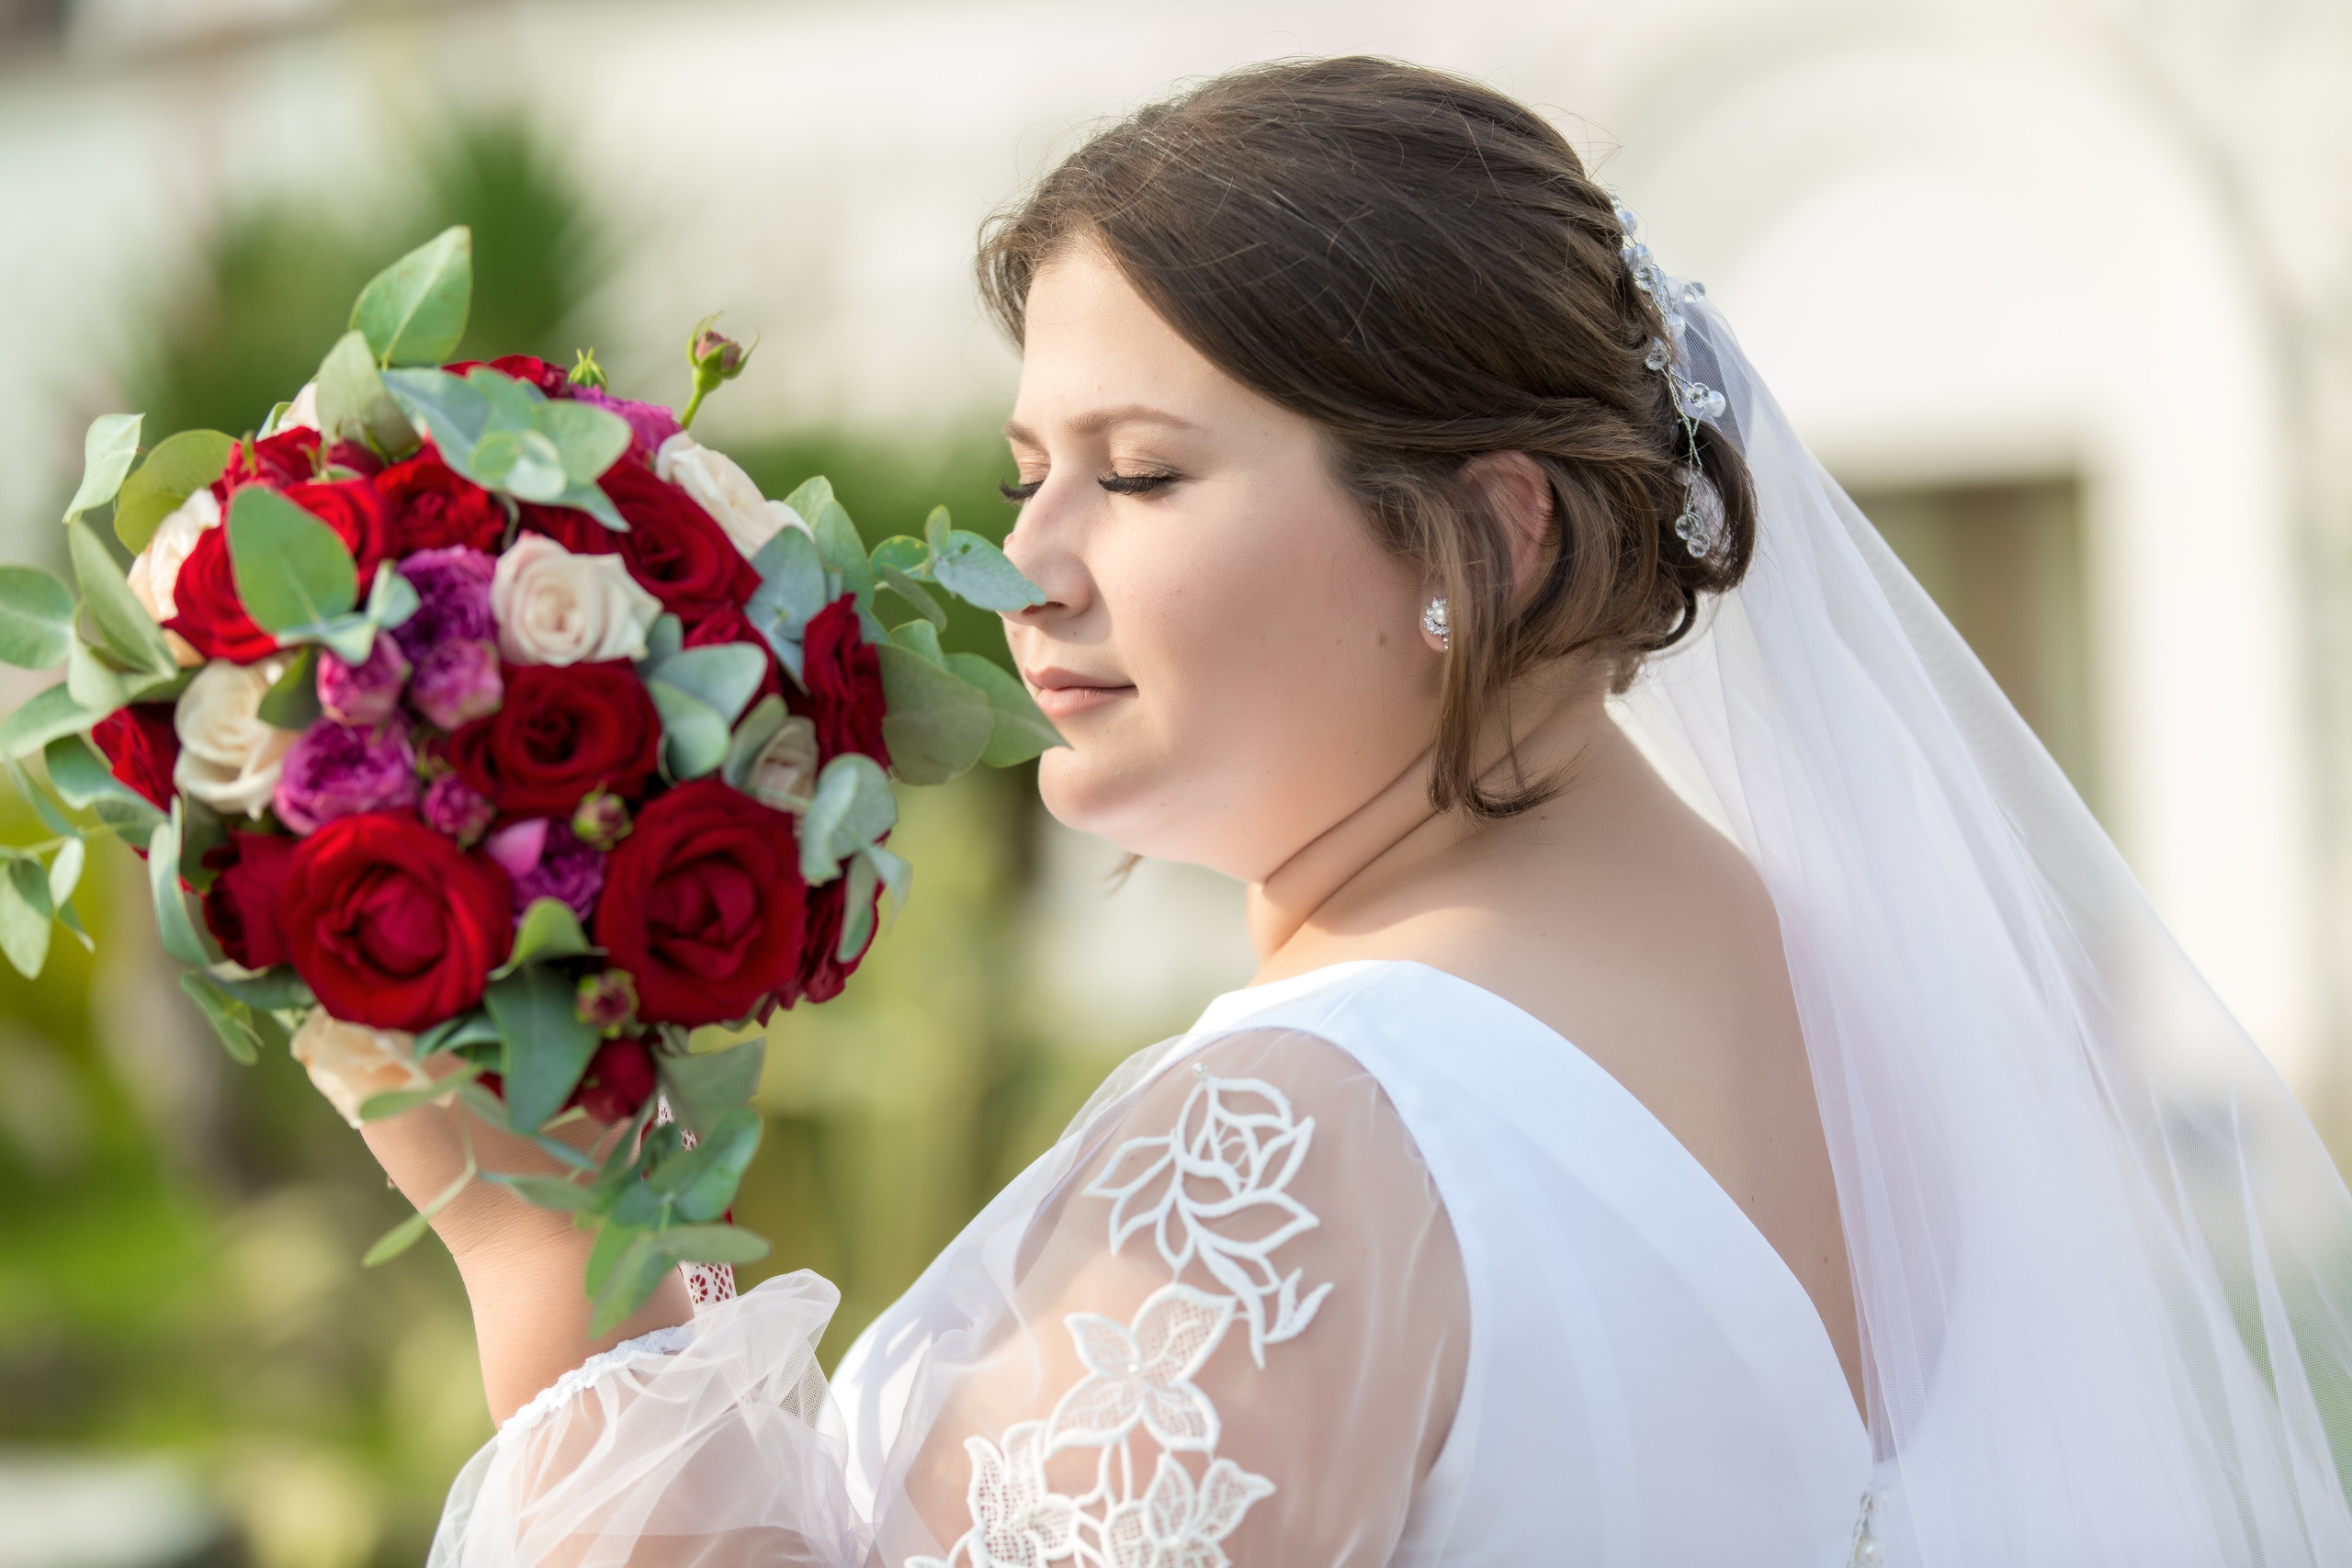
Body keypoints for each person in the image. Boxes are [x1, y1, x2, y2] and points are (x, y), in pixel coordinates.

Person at [372, 57, 2352, 1566]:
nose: (1020, 564)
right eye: (1025, 466)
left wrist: (545, 1247)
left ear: (1482, 537)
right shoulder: (1839, 1010)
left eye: (1138, 476)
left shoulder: (1298, 1133)